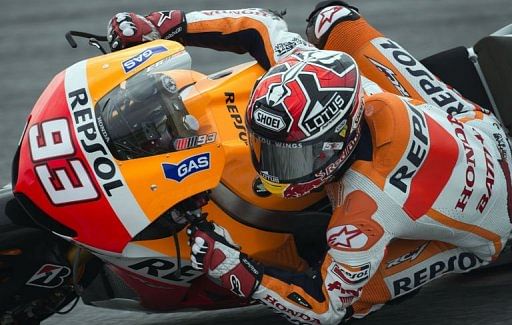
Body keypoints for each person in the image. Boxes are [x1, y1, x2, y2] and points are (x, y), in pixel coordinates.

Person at [107, 2, 512, 324]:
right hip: (466, 119)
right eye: (269, 148)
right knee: (333, 19)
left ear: (343, 136)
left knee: (356, 298)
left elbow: (323, 308)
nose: (275, 168)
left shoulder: (363, 215)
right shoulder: (338, 83)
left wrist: (243, 275)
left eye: (293, 155)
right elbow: (258, 23)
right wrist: (166, 24)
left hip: (490, 220)